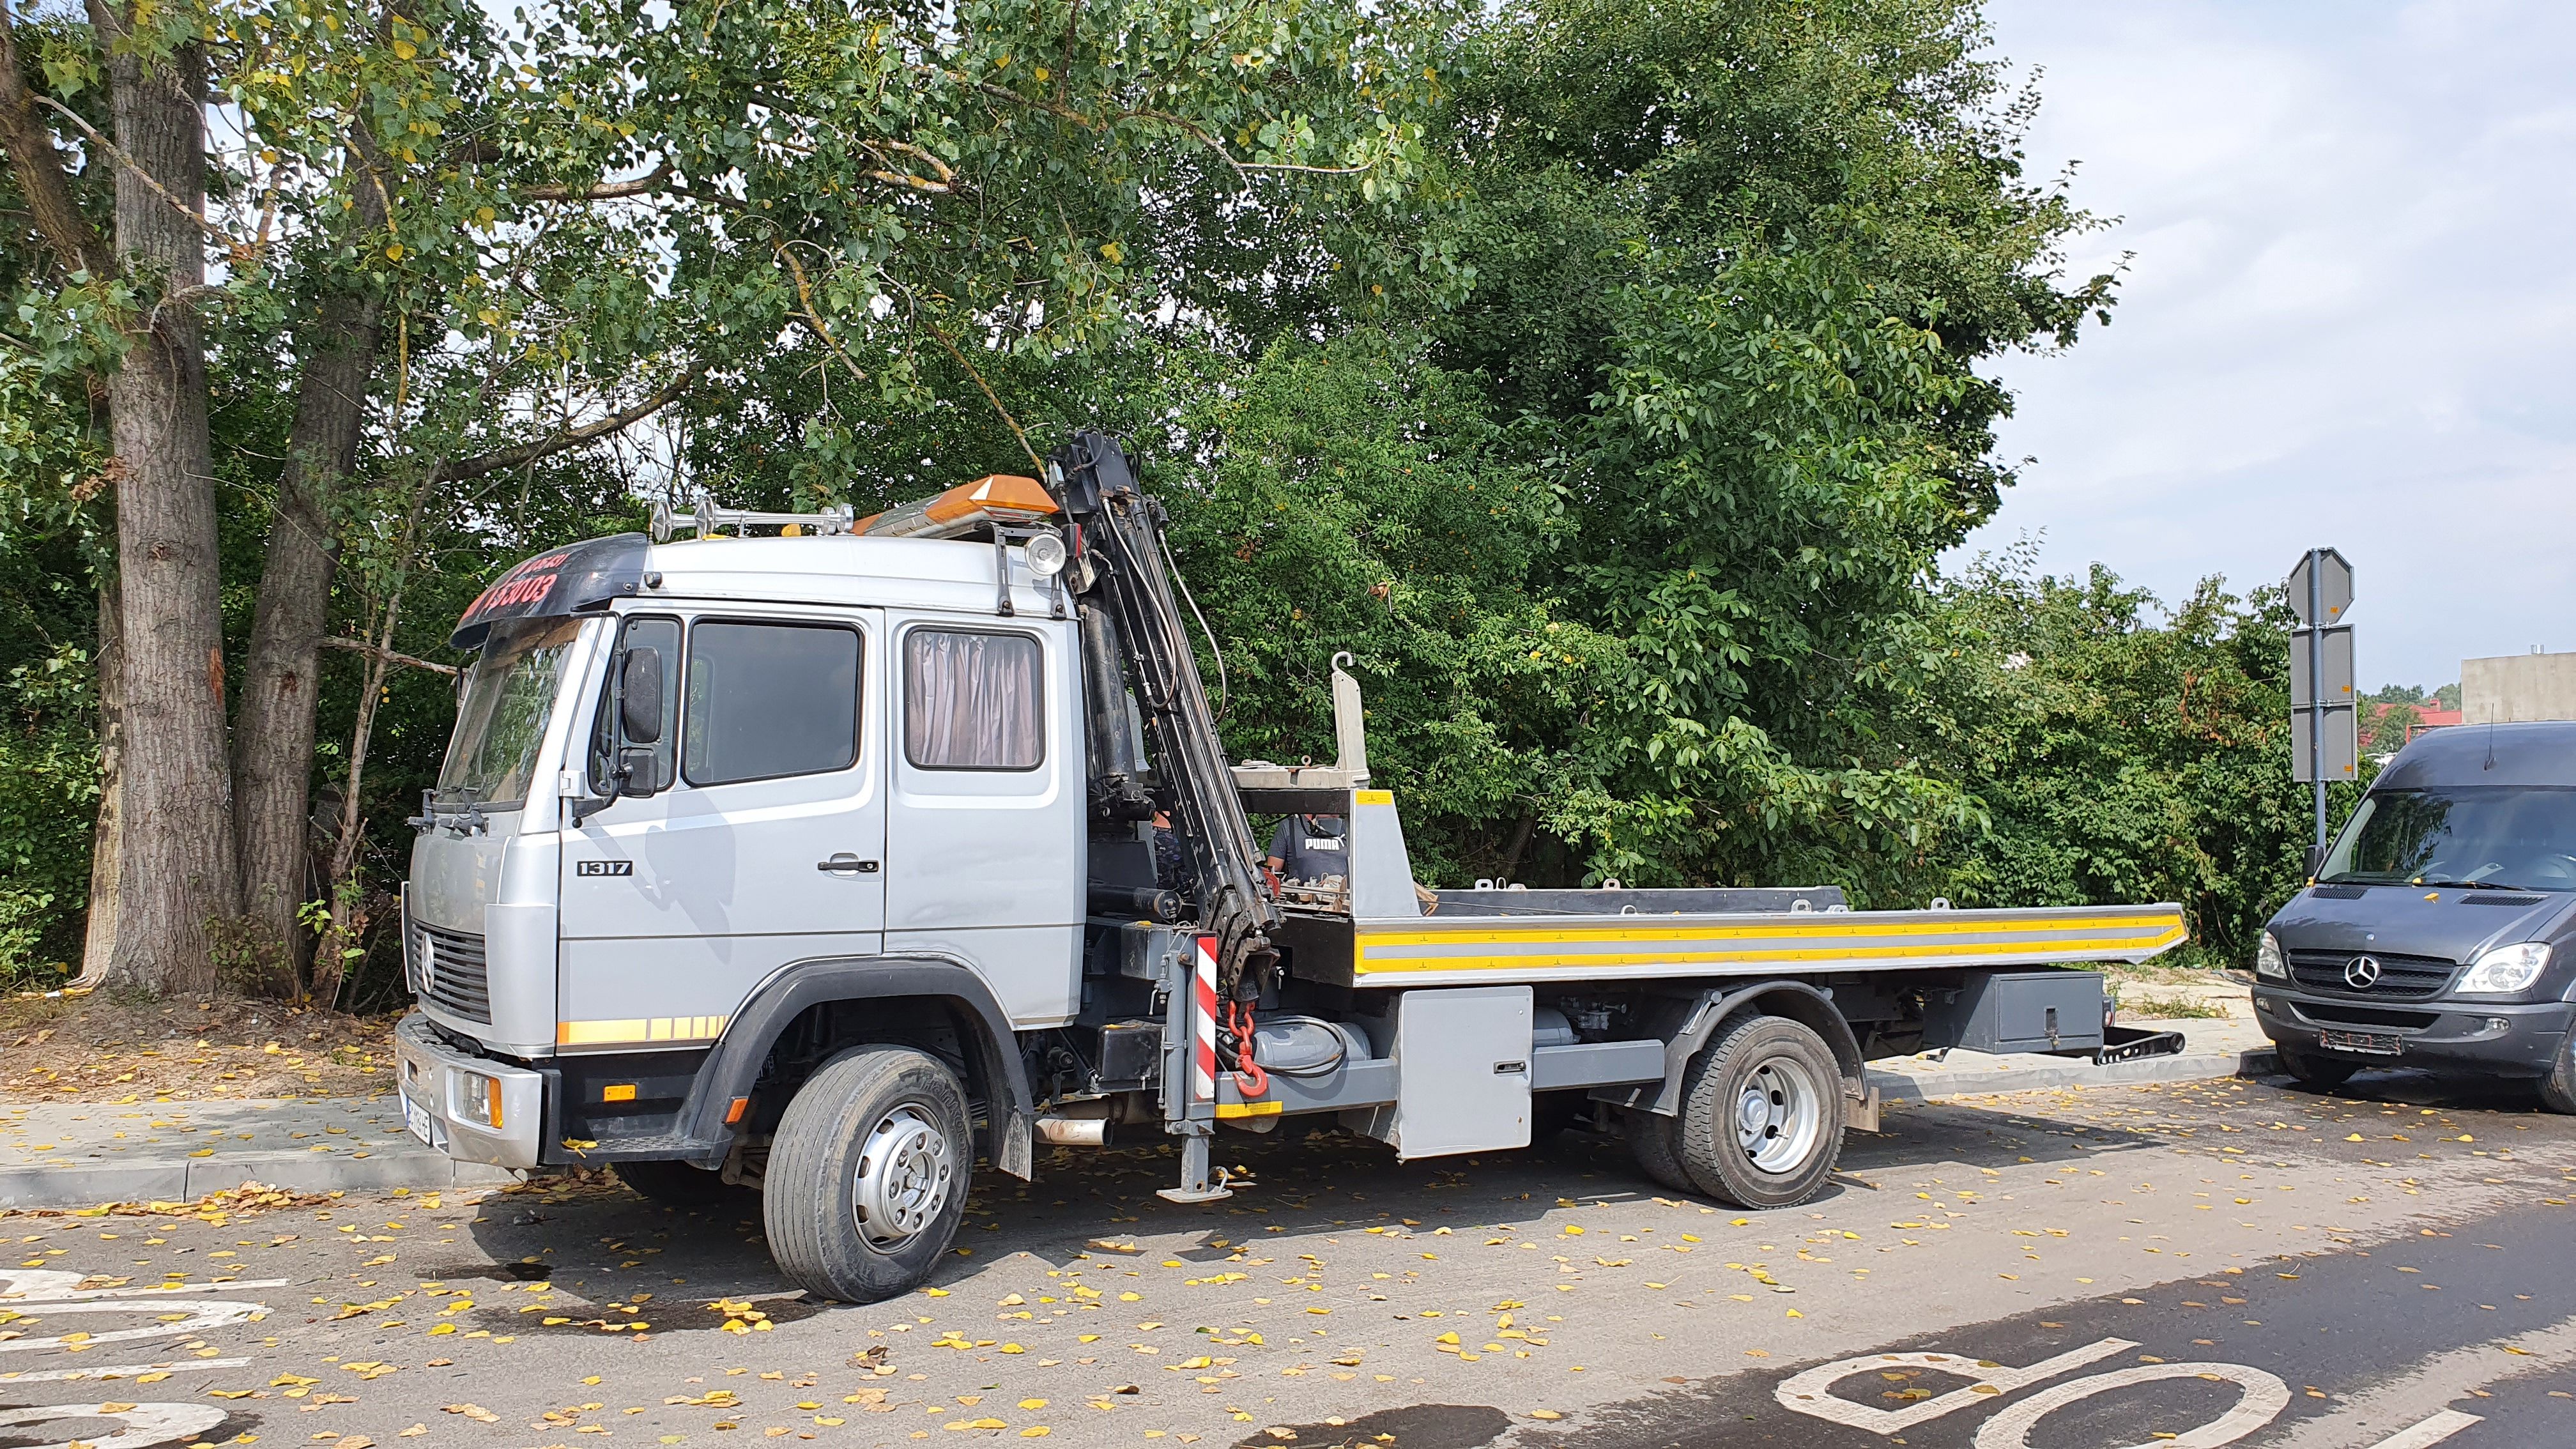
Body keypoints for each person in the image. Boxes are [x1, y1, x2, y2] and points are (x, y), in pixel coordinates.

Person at [1266, 813, 1349, 884]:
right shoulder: (1290, 826)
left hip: (1344, 898)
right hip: (1302, 898)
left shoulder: (1349, 828)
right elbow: (1272, 873)